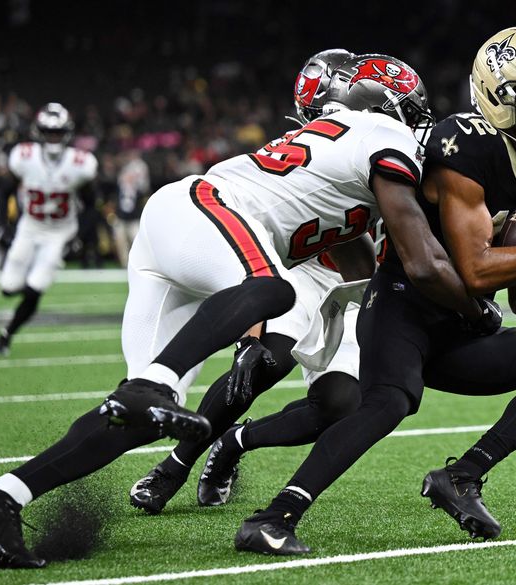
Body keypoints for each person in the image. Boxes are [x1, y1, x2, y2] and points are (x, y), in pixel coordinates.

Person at [0, 54, 497, 569]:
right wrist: (475, 305)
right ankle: (157, 383)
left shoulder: (343, 146)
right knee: (272, 289)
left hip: (174, 237)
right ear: (401, 109)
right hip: (207, 212)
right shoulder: (389, 137)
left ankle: (0, 497)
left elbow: (360, 260)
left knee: (133, 419)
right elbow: (420, 262)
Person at [234, 27, 516, 556]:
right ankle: (273, 518)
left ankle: (463, 476)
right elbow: (475, 272)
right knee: (387, 402)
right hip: (405, 305)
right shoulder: (465, 143)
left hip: (463, 324)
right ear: (499, 97)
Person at [127, 48, 381, 514]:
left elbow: (366, 252)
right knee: (264, 362)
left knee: (339, 403)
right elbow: (265, 237)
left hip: (357, 287)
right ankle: (175, 464)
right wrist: (252, 327)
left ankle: (233, 443)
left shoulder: (398, 151)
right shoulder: (318, 155)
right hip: (299, 269)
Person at [0, 103, 99, 355]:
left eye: (58, 132)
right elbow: (4, 192)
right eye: (49, 132)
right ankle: (27, 283)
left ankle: (7, 334)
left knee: (34, 288)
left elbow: (92, 206)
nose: (54, 137)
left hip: (59, 232)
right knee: (8, 288)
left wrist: (78, 238)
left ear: (67, 133)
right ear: (38, 132)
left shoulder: (79, 164)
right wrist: (1, 226)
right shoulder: (24, 158)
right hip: (30, 226)